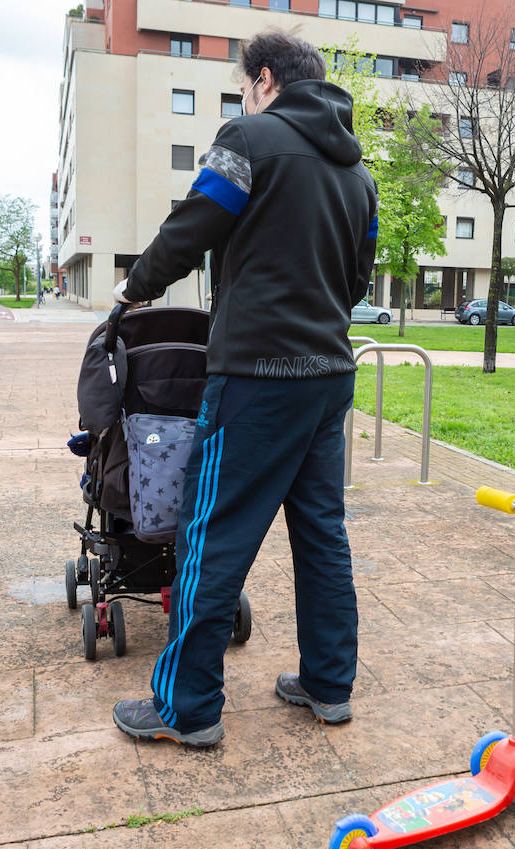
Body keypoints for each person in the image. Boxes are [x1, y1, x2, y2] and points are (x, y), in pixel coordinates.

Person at [110, 30, 378, 747]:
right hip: (328, 378)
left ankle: (186, 708)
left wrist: (135, 289)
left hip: (257, 376)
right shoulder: (360, 176)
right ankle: (329, 683)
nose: (240, 96)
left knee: (213, 536)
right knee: (322, 534)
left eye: (240, 85)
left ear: (263, 80)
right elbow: (357, 283)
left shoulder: (250, 138)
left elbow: (196, 221)